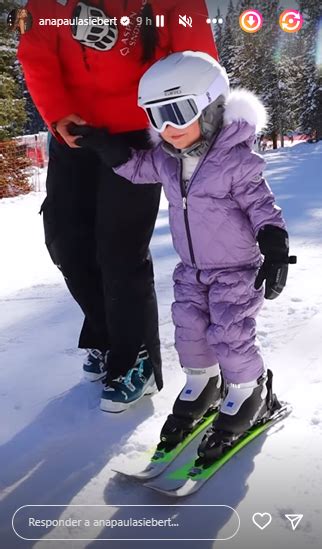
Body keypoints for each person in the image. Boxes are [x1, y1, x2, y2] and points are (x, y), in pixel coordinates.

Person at [72, 51, 296, 452]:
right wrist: (110, 150)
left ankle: (249, 393)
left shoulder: (236, 161)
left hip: (236, 270)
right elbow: (139, 169)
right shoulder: (165, 159)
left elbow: (263, 206)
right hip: (191, 269)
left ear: (211, 107)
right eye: (158, 116)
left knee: (230, 334)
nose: (169, 127)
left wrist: (275, 247)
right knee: (189, 331)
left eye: (179, 111)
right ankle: (203, 384)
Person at [17, 1, 218, 413]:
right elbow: (37, 49)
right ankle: (107, 335)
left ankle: (133, 359)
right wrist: (56, 114)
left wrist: (193, 131)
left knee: (118, 249)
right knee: (66, 242)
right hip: (75, 132)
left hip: (139, 134)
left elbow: (198, 62)